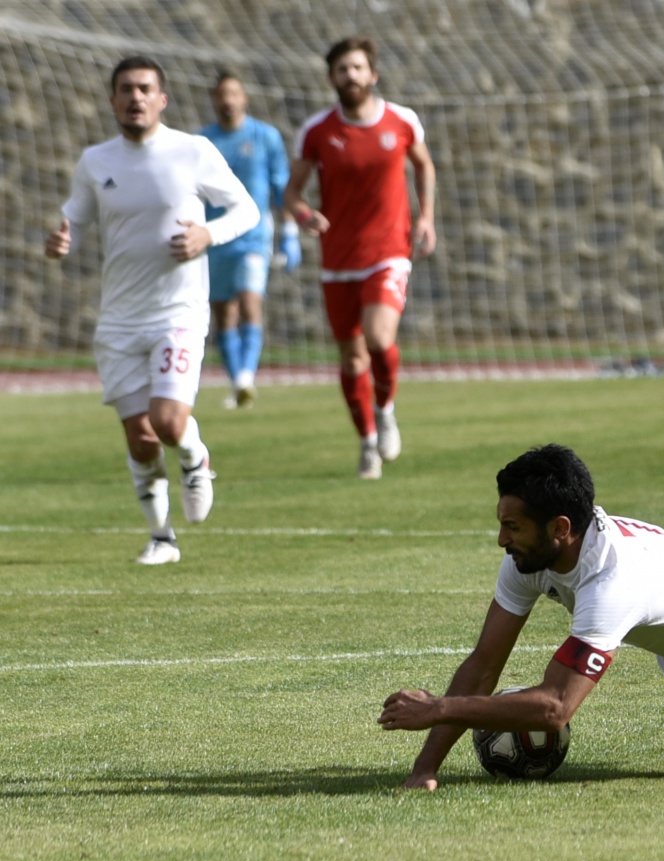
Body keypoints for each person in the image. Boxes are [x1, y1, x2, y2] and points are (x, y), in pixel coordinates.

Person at [378, 444, 664, 791]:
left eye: (512, 527)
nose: (501, 540)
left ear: (560, 528)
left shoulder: (613, 580)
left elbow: (555, 707)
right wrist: (425, 769)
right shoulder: (530, 558)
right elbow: (484, 664)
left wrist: (438, 708)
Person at [45, 56, 259, 565]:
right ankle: (162, 537)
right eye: (126, 89)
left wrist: (208, 234)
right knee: (140, 440)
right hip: (118, 322)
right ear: (113, 100)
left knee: (166, 421)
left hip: (177, 314)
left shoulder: (193, 151)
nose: (135, 97)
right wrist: (62, 240)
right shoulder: (96, 162)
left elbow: (247, 209)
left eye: (145, 88)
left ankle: (195, 456)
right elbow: (74, 219)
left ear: (162, 99)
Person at [284, 35, 437, 479]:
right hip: (338, 260)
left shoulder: (402, 121)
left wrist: (426, 217)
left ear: (373, 74)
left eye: (357, 67)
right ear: (332, 78)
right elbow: (292, 193)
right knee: (352, 360)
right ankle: (368, 443)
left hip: (389, 252)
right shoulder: (317, 131)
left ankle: (385, 409)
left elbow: (424, 165)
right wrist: (303, 214)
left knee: (378, 337)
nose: (350, 75)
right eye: (342, 69)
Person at [199, 71, 299, 410]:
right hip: (215, 238)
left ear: (245, 98)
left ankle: (246, 377)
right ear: (214, 100)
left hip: (254, 238)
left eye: (233, 93)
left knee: (250, 302)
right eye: (221, 94)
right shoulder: (202, 142)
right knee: (224, 313)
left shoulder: (265, 137)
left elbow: (281, 187)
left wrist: (290, 233)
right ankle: (237, 384)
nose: (227, 100)